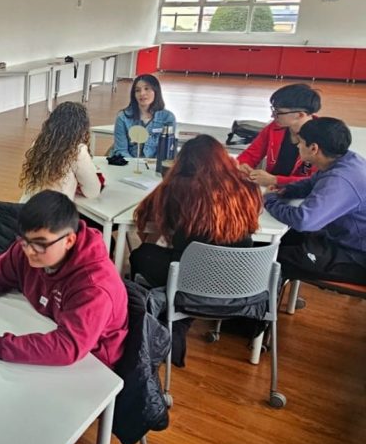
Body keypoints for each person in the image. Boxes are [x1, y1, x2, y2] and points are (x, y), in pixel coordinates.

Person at [0, 191, 127, 368]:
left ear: (69, 240)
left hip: (91, 365)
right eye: (24, 241)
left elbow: (66, 347)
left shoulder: (94, 285)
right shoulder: (28, 249)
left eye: (40, 244)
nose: (29, 252)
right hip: (42, 329)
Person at [130, 134, 262, 287]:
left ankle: (143, 297)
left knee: (141, 254)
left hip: (187, 274)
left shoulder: (177, 186)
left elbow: (145, 215)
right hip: (235, 277)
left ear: (183, 161)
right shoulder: (246, 187)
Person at [265, 117, 366, 285]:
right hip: (345, 238)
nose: (297, 146)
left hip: (356, 256)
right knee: (284, 239)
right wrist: (286, 189)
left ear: (313, 148)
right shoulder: (346, 160)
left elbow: (303, 221)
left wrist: (270, 201)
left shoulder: (340, 180)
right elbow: (311, 183)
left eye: (300, 142)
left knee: (271, 256)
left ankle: (265, 300)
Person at [236, 83, 319, 187]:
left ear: (300, 115)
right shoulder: (274, 128)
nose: (272, 115)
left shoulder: (323, 137)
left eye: (278, 112)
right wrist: (242, 165)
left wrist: (275, 180)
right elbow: (251, 154)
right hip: (270, 188)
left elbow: (317, 181)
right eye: (273, 110)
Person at [19, 101, 100, 202]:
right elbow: (92, 191)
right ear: (81, 129)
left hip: (27, 206)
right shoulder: (77, 150)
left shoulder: (38, 144)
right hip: (53, 210)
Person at [112, 74, 177, 158]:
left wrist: (151, 165)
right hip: (128, 163)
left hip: (155, 164)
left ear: (156, 91)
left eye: (146, 89)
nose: (142, 93)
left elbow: (166, 151)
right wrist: (134, 165)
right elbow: (121, 151)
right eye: (137, 90)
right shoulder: (123, 117)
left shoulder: (168, 118)